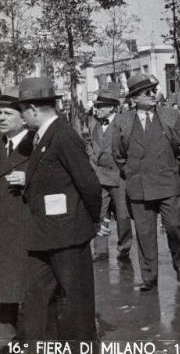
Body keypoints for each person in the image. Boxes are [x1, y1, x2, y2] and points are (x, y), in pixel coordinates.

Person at [16, 77, 102, 341]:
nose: (22, 119)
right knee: (35, 300)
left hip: (68, 237)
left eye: (22, 112)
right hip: (45, 236)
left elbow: (89, 185)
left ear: (32, 109)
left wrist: (93, 222)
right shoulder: (43, 137)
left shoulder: (63, 136)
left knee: (78, 305)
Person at [112, 74, 180, 291]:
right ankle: (149, 277)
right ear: (135, 98)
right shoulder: (123, 121)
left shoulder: (170, 116)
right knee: (145, 234)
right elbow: (118, 154)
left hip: (167, 182)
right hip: (139, 186)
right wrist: (130, 171)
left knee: (177, 226)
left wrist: (172, 166)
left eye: (154, 90)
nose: (153, 95)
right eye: (147, 92)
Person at [0, 87, 34, 344]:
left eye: (7, 113)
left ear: (23, 117)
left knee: (27, 283)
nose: (1, 117)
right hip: (3, 227)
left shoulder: (37, 144)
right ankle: (6, 337)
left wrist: (30, 179)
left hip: (27, 225)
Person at [89, 83, 132, 263]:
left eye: (100, 107)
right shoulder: (94, 124)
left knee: (122, 215)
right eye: (96, 106)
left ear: (112, 107)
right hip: (99, 177)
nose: (97, 110)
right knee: (99, 213)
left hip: (119, 177)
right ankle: (100, 250)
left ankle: (124, 248)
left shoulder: (123, 123)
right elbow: (91, 146)